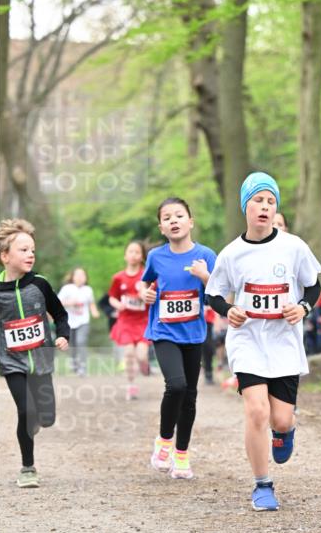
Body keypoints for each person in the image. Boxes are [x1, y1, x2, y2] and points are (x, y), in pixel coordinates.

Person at [206, 172, 321, 511]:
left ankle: (284, 431)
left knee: (281, 418)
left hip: (284, 342)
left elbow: (313, 286)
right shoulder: (231, 254)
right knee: (256, 411)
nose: (265, 207)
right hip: (247, 341)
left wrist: (302, 307)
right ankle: (262, 485)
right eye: (258, 200)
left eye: (271, 202)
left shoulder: (294, 246)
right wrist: (229, 310)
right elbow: (213, 294)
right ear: (246, 206)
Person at [140, 197, 216, 479]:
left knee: (190, 396)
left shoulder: (206, 255)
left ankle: (182, 456)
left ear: (190, 222)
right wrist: (144, 294)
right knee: (176, 385)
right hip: (164, 331)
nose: (174, 220)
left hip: (194, 333)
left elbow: (219, 293)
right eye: (167, 217)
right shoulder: (156, 256)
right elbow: (146, 284)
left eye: (179, 215)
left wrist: (205, 276)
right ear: (161, 227)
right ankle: (163, 441)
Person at [0, 219, 70, 487]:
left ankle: (39, 420)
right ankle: (28, 468)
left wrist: (63, 334)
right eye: (23, 250)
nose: (30, 255)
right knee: (25, 411)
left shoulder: (39, 284)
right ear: (5, 256)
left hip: (41, 360)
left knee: (46, 418)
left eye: (33, 250)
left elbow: (60, 314)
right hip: (11, 362)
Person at [108, 241, 150, 400]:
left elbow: (153, 295)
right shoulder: (118, 277)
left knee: (141, 355)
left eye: (137, 252)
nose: (133, 255)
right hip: (125, 321)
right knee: (129, 354)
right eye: (131, 251)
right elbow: (112, 297)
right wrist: (118, 304)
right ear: (125, 255)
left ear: (142, 256)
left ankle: (145, 367)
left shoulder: (146, 275)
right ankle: (131, 386)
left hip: (143, 321)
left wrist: (143, 293)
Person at [58, 267, 99, 375]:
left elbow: (91, 303)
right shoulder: (67, 288)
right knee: (72, 344)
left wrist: (94, 312)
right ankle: (74, 362)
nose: (80, 278)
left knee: (81, 342)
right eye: (78, 275)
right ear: (73, 277)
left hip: (83, 321)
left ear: (86, 278)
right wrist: (69, 302)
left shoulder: (88, 290)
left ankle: (83, 367)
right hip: (69, 322)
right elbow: (57, 302)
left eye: (83, 275)